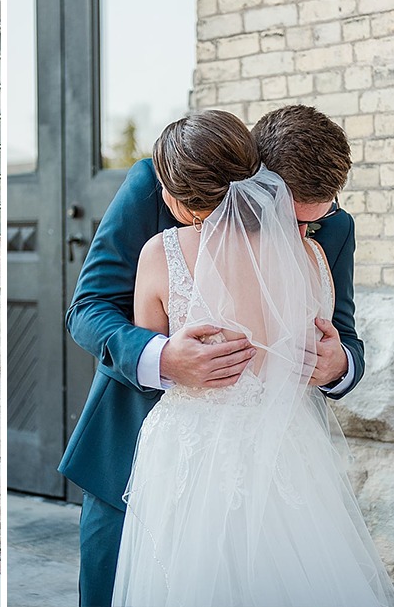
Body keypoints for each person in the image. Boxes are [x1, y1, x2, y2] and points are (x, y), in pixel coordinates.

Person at [60, 105, 365, 607]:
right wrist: (161, 357)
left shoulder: (333, 229)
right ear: (256, 183)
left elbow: (347, 337)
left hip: (275, 476)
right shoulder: (165, 184)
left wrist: (339, 365)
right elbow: (88, 307)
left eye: (318, 220)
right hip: (136, 456)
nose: (298, 239)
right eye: (289, 220)